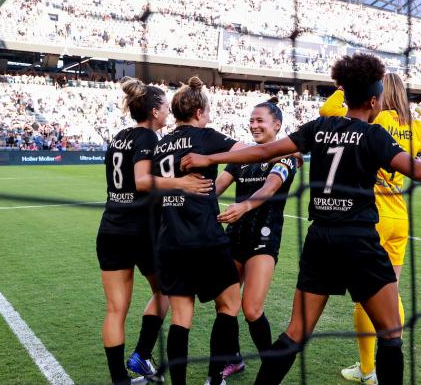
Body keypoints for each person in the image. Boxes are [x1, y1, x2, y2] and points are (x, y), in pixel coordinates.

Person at [180, 54, 421, 385]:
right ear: (376, 103)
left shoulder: (319, 127)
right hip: (359, 240)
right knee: (391, 334)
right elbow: (420, 170)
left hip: (320, 239)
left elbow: (263, 151)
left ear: (345, 95)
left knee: (295, 333)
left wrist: (209, 159)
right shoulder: (374, 135)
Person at [319, 76, 421, 384]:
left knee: (363, 298)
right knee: (391, 291)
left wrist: (344, 86)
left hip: (371, 216)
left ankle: (368, 370)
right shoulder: (414, 124)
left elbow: (328, 111)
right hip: (400, 218)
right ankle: (393, 354)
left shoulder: (374, 117)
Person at [96, 77, 213, 385]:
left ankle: (122, 377)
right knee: (169, 291)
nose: (168, 112)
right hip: (141, 231)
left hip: (110, 228)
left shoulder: (120, 136)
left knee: (115, 309)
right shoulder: (148, 138)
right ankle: (143, 353)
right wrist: (182, 182)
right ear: (154, 110)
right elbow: (142, 181)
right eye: (164, 106)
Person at [151, 76, 247, 385]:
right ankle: (215, 378)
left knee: (181, 316)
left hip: (170, 240)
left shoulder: (161, 144)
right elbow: (246, 152)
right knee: (230, 304)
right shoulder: (204, 136)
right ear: (199, 111)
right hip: (205, 238)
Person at [215, 97, 297, 378]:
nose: (254, 125)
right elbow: (217, 187)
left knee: (251, 309)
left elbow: (271, 187)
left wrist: (244, 206)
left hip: (263, 239)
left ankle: (270, 365)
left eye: (259, 120)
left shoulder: (287, 156)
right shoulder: (244, 154)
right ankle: (234, 359)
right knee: (225, 304)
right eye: (251, 120)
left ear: (277, 125)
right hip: (234, 236)